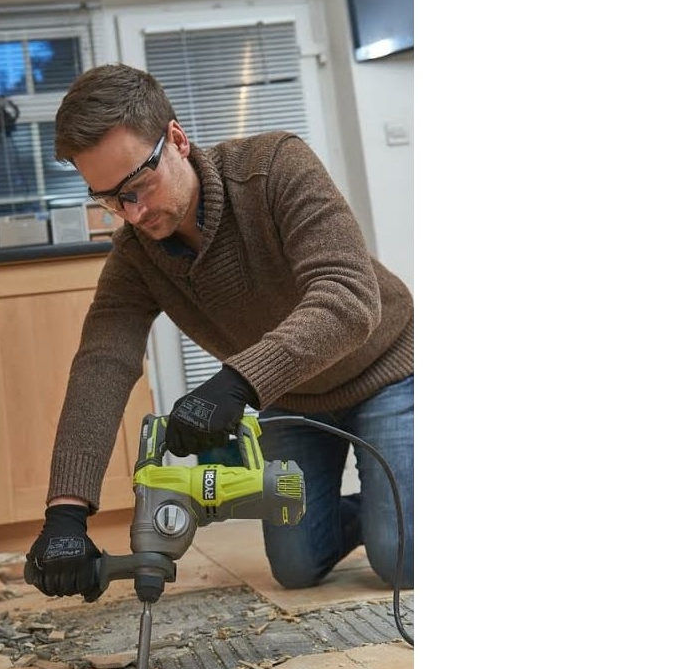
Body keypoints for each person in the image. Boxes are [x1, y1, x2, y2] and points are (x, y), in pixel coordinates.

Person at [25, 64, 413, 600]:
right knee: (297, 565)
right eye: (110, 199)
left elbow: (348, 296)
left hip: (387, 370)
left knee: (402, 558)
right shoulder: (136, 257)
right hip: (293, 395)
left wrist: (236, 384)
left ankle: (402, 512)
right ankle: (391, 508)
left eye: (138, 186)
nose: (133, 213)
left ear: (177, 140)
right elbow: (102, 365)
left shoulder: (275, 167)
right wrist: (65, 513)